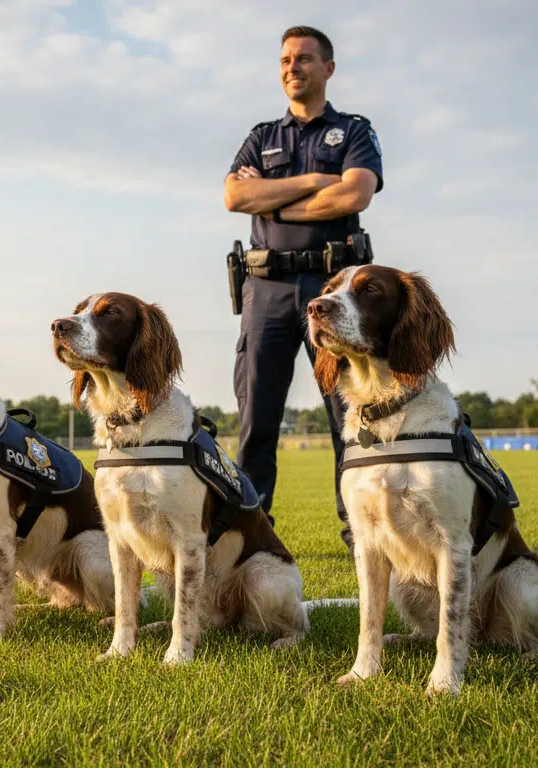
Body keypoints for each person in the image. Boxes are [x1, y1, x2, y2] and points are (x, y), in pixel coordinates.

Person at [223, 26, 383, 547]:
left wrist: (272, 201)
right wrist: (315, 182)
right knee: (256, 417)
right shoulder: (261, 135)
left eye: (305, 59)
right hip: (265, 287)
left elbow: (354, 196)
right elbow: (234, 197)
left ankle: (361, 532)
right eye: (285, 60)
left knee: (349, 414)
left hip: (332, 288)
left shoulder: (353, 131)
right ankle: (250, 533)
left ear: (328, 68)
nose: (293, 67)